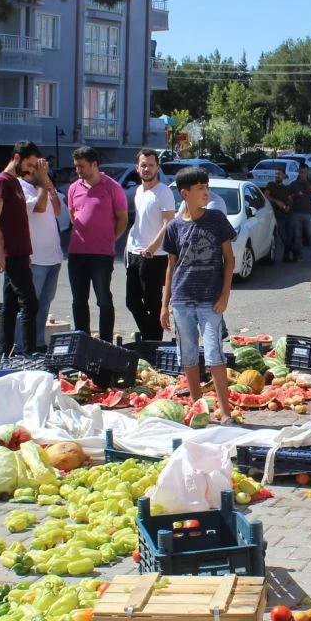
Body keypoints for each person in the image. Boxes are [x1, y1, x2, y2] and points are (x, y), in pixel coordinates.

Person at [160, 168, 237, 426]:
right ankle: (198, 409)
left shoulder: (216, 219)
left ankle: (225, 412)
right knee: (189, 355)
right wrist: (164, 305)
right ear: (185, 193)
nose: (206, 192)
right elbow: (171, 267)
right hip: (181, 301)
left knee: (215, 354)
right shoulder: (174, 227)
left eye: (207, 186)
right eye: (200, 188)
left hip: (210, 300)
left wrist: (224, 295)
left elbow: (230, 259)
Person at [66, 146, 128, 341]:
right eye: (76, 166)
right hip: (77, 254)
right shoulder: (74, 187)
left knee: (103, 300)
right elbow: (73, 217)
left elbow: (123, 219)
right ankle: (82, 340)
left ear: (94, 164)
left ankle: (106, 342)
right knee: (78, 301)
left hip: (102, 255)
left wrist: (109, 239)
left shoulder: (112, 187)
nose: (78, 171)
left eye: (81, 166)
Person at [0, 141, 42, 357]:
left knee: (10, 306)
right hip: (11, 254)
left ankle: (6, 353)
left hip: (21, 253)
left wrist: (27, 252)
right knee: (30, 304)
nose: (31, 170)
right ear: (17, 158)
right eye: (29, 164)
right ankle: (29, 354)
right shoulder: (2, 181)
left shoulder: (16, 183)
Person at [124, 149, 175, 341]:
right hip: (134, 253)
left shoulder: (164, 192)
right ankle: (149, 338)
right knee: (132, 301)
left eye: (151, 165)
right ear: (137, 168)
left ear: (157, 168)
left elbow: (168, 223)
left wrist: (151, 249)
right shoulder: (138, 191)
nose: (147, 169)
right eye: (143, 165)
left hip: (154, 256)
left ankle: (154, 344)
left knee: (152, 304)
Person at [14, 157, 63, 351]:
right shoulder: (21, 187)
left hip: (53, 257)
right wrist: (43, 182)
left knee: (44, 304)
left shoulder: (43, 187)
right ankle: (20, 346)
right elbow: (40, 207)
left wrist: (50, 187)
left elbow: (58, 210)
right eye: (37, 168)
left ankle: (38, 342)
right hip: (35, 259)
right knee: (28, 307)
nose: (41, 171)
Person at [265, 165, 298, 262]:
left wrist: (289, 206)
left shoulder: (286, 187)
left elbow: (290, 199)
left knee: (289, 236)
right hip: (277, 215)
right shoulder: (271, 185)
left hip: (288, 214)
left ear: (284, 176)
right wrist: (276, 201)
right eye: (276, 174)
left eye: (279, 174)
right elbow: (266, 195)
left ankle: (286, 257)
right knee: (283, 236)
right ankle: (295, 251)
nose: (277, 176)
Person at [288, 163, 311, 260]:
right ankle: (299, 256)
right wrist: (296, 195)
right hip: (296, 213)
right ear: (298, 172)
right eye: (301, 172)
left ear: (308, 172)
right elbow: (289, 197)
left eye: (305, 172)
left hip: (309, 213)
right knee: (298, 236)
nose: (303, 174)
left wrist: (306, 182)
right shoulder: (293, 184)